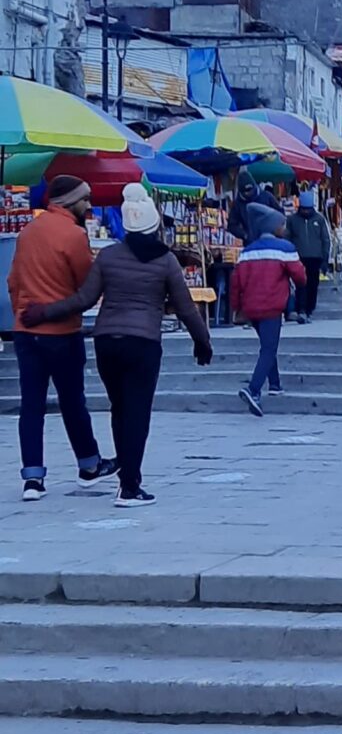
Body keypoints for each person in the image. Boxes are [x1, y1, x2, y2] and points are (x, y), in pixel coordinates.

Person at [20, 183, 213, 504]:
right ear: (153, 226)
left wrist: (43, 312)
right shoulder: (166, 261)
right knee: (137, 412)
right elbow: (186, 307)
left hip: (107, 342)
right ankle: (130, 485)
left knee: (120, 408)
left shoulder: (109, 256)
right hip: (144, 343)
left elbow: (84, 299)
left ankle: (123, 476)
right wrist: (202, 342)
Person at [6, 175, 116, 500]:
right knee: (72, 401)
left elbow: (13, 281)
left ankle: (32, 479)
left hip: (26, 331)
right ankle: (89, 465)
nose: (89, 205)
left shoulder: (27, 232)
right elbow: (86, 285)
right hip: (62, 332)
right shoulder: (74, 235)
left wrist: (21, 311)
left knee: (31, 405)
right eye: (85, 199)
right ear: (70, 201)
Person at [231, 202, 305, 415]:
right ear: (275, 228)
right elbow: (300, 277)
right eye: (282, 224)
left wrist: (237, 308)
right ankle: (253, 390)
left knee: (266, 344)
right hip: (272, 306)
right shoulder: (285, 249)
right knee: (269, 348)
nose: (284, 228)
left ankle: (275, 384)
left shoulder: (246, 252)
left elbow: (236, 283)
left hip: (251, 308)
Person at [286, 187, 331, 321]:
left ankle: (310, 307)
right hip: (298, 258)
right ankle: (302, 309)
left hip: (315, 258)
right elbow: (287, 237)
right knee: (301, 284)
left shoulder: (319, 219)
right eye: (303, 209)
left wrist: (325, 258)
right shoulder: (292, 220)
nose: (306, 211)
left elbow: (325, 239)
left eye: (308, 209)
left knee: (313, 284)